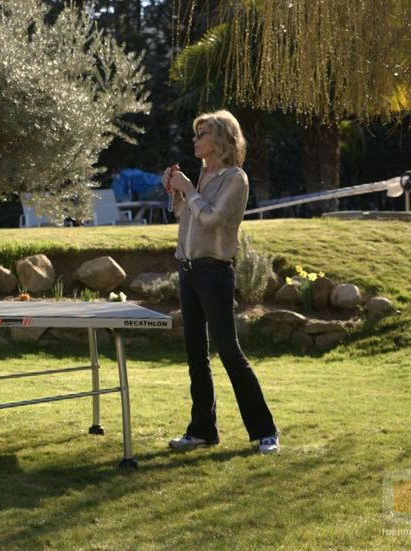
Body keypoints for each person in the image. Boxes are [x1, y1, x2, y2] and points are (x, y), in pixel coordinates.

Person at [162, 109, 279, 454]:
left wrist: (187, 188)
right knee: (195, 354)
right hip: (188, 270)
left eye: (202, 135)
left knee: (228, 350)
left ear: (221, 139)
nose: (195, 141)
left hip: (214, 272)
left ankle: (266, 431)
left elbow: (212, 219)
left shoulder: (235, 179)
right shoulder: (201, 176)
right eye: (196, 135)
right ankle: (202, 431)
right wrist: (177, 191)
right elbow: (185, 216)